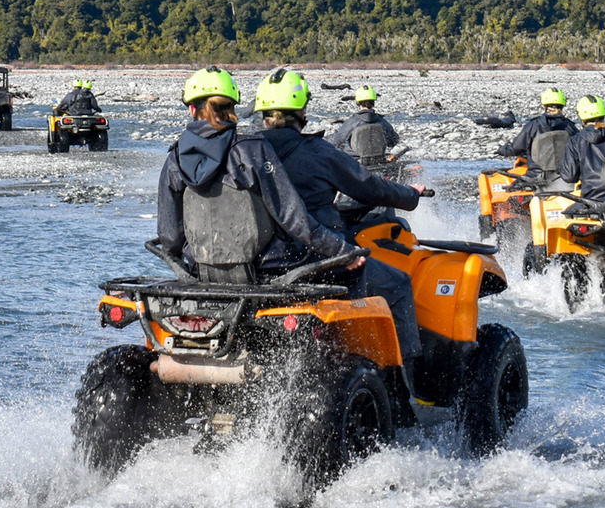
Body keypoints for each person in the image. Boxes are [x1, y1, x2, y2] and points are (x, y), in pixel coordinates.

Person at [243, 69, 424, 384]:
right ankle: (404, 385)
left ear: (262, 110)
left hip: (258, 265)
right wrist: (410, 195)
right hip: (316, 261)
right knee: (397, 283)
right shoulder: (316, 151)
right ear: (301, 109)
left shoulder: (243, 151)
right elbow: (370, 187)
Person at [155, 67, 354, 277]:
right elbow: (292, 216)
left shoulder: (174, 158)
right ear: (232, 106)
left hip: (201, 268)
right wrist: (342, 250)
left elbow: (170, 236)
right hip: (268, 267)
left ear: (192, 110)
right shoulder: (251, 150)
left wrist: (190, 264)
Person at [497, 87, 578, 160]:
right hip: (564, 173)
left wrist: (500, 149)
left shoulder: (533, 125)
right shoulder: (570, 127)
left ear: (544, 106)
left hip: (536, 173)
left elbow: (515, 148)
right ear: (562, 106)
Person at [327, 86, 398, 154]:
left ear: (358, 102)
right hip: (378, 159)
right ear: (373, 102)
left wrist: (319, 139)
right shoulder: (382, 122)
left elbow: (336, 139)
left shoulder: (352, 122)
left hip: (355, 161)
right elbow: (393, 141)